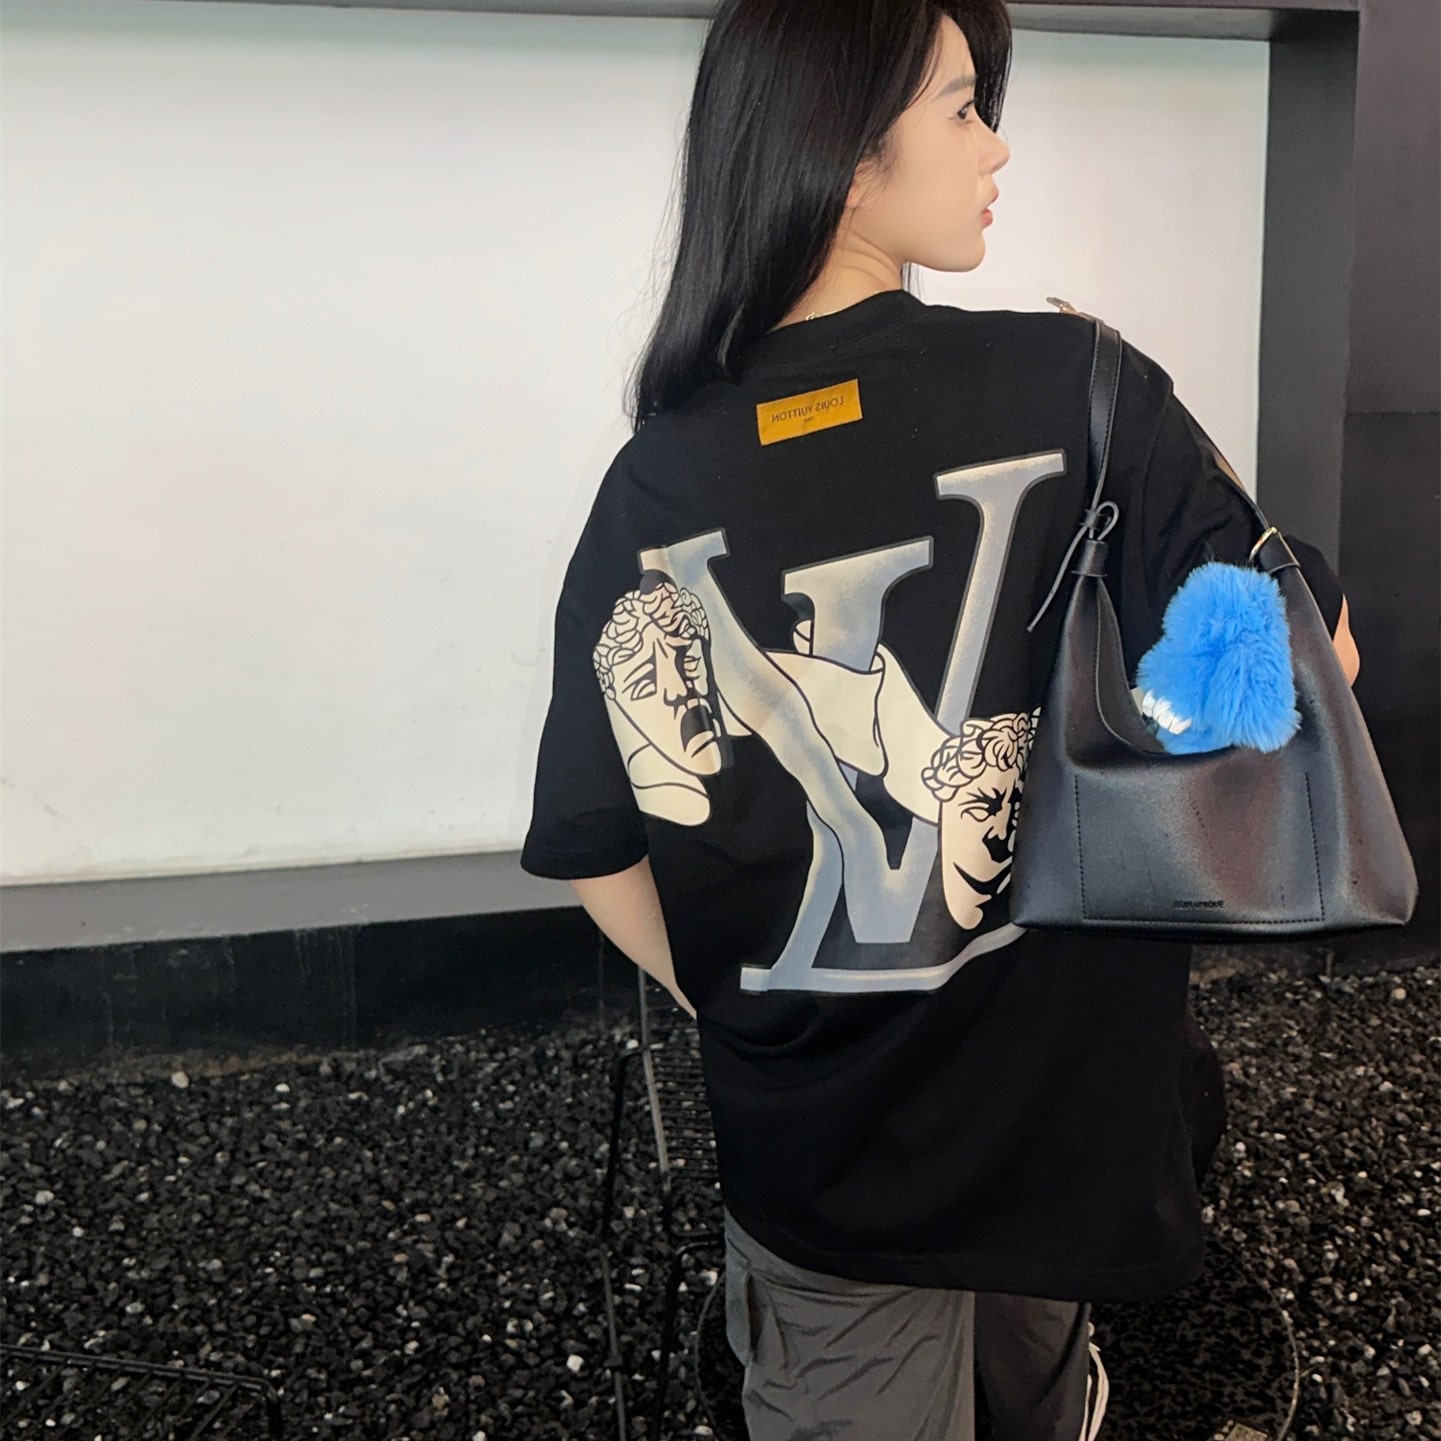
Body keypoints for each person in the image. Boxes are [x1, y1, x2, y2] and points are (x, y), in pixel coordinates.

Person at [519, 3, 1361, 1438]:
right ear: (847, 153)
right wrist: (1160, 445)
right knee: (1039, 1391)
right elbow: (1303, 665)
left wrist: (759, 1012)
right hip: (1063, 1127)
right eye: (964, 107)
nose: (996, 146)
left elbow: (598, 847)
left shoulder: (653, 480)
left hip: (829, 1167)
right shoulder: (1078, 386)